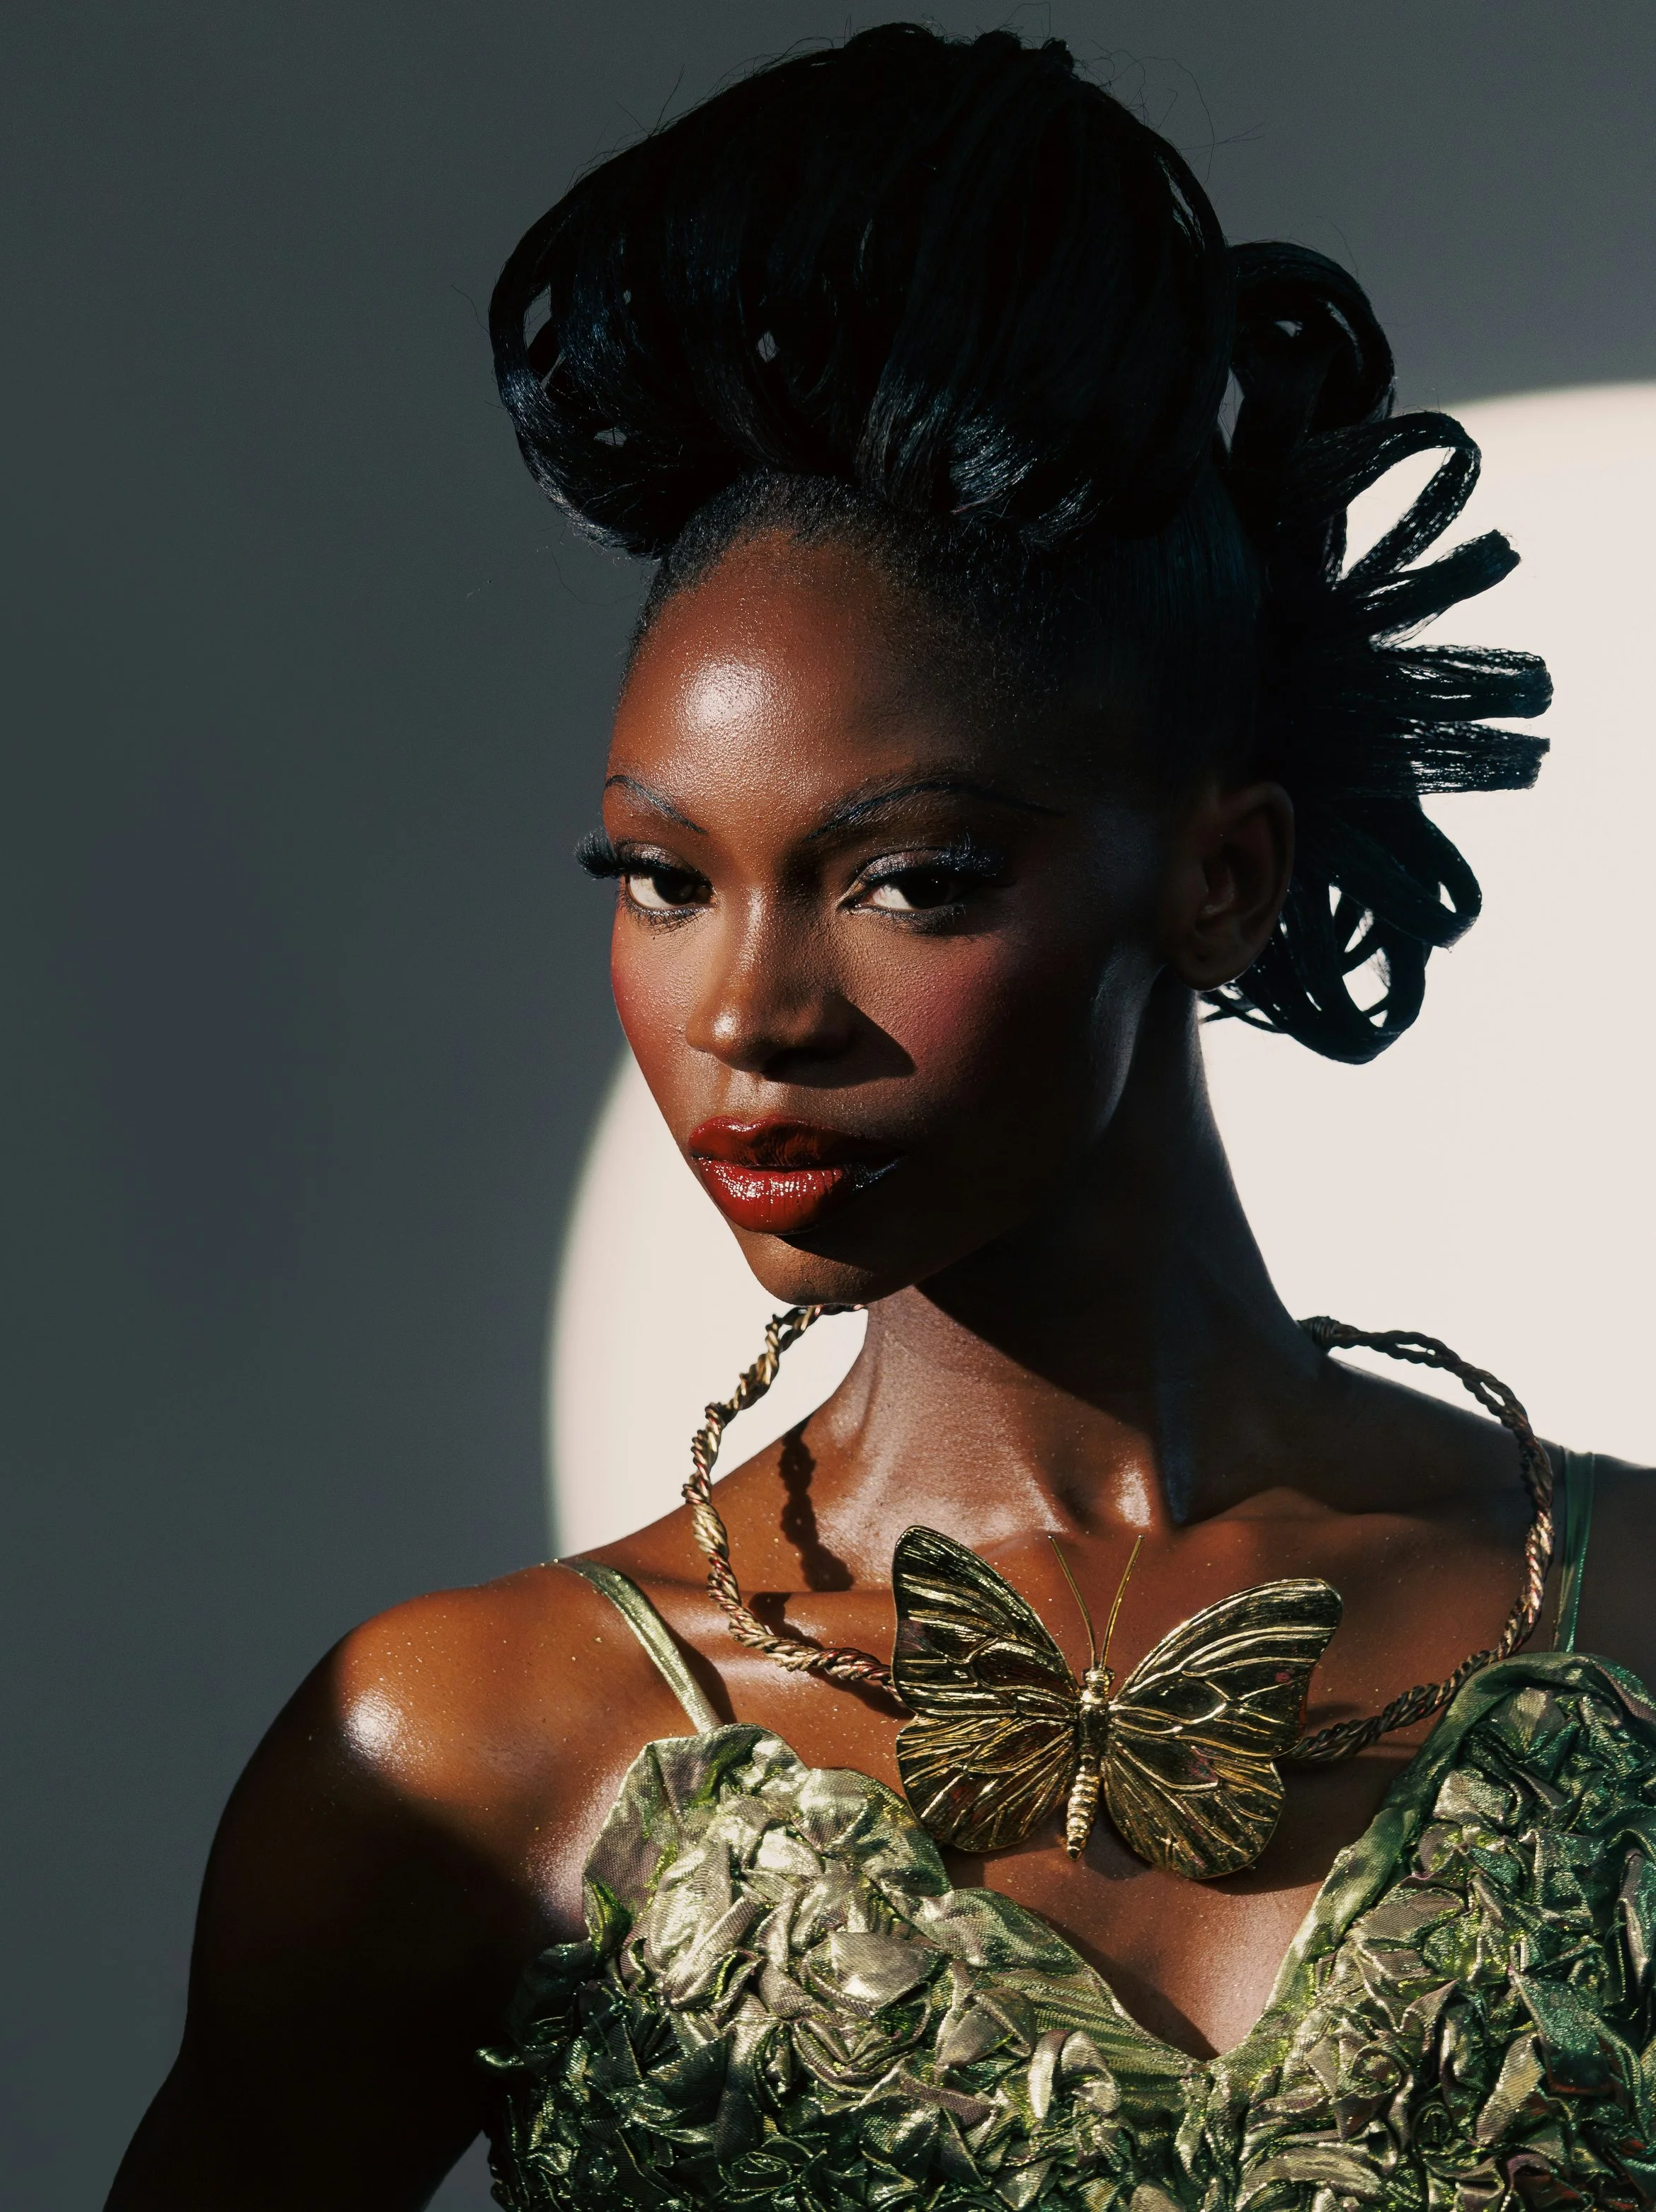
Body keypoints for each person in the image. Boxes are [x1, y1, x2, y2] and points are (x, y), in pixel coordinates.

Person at [108, 25, 1656, 2211]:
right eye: (663, 876)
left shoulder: (1628, 1633)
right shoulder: (469, 1752)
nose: (747, 1008)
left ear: (1215, 872)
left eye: (910, 875)